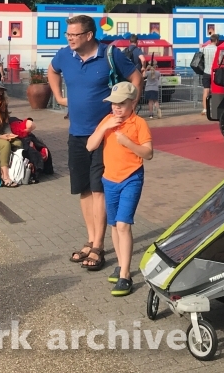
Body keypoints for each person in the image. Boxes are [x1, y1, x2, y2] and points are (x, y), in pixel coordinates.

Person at [48, 15, 142, 272]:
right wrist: (58, 96)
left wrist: (129, 108)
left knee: (99, 189)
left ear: (89, 35)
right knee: (83, 189)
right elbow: (52, 70)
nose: (69, 39)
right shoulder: (64, 55)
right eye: (67, 35)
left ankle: (99, 246)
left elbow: (136, 77)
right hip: (76, 134)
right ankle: (91, 239)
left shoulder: (110, 54)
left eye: (74, 35)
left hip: (105, 136)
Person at [86, 81, 153, 297]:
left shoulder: (139, 123)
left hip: (131, 178)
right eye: (113, 103)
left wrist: (126, 142)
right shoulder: (108, 120)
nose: (116, 108)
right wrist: (105, 127)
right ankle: (121, 264)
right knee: (114, 225)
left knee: (123, 225)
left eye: (121, 104)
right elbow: (90, 145)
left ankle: (125, 274)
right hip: (109, 180)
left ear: (133, 103)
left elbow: (148, 153)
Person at [200, 33, 219, 117]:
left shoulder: (203, 49)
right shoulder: (217, 49)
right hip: (215, 72)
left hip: (206, 72)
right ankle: (215, 107)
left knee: (206, 90)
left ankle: (205, 109)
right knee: (216, 90)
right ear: (216, 40)